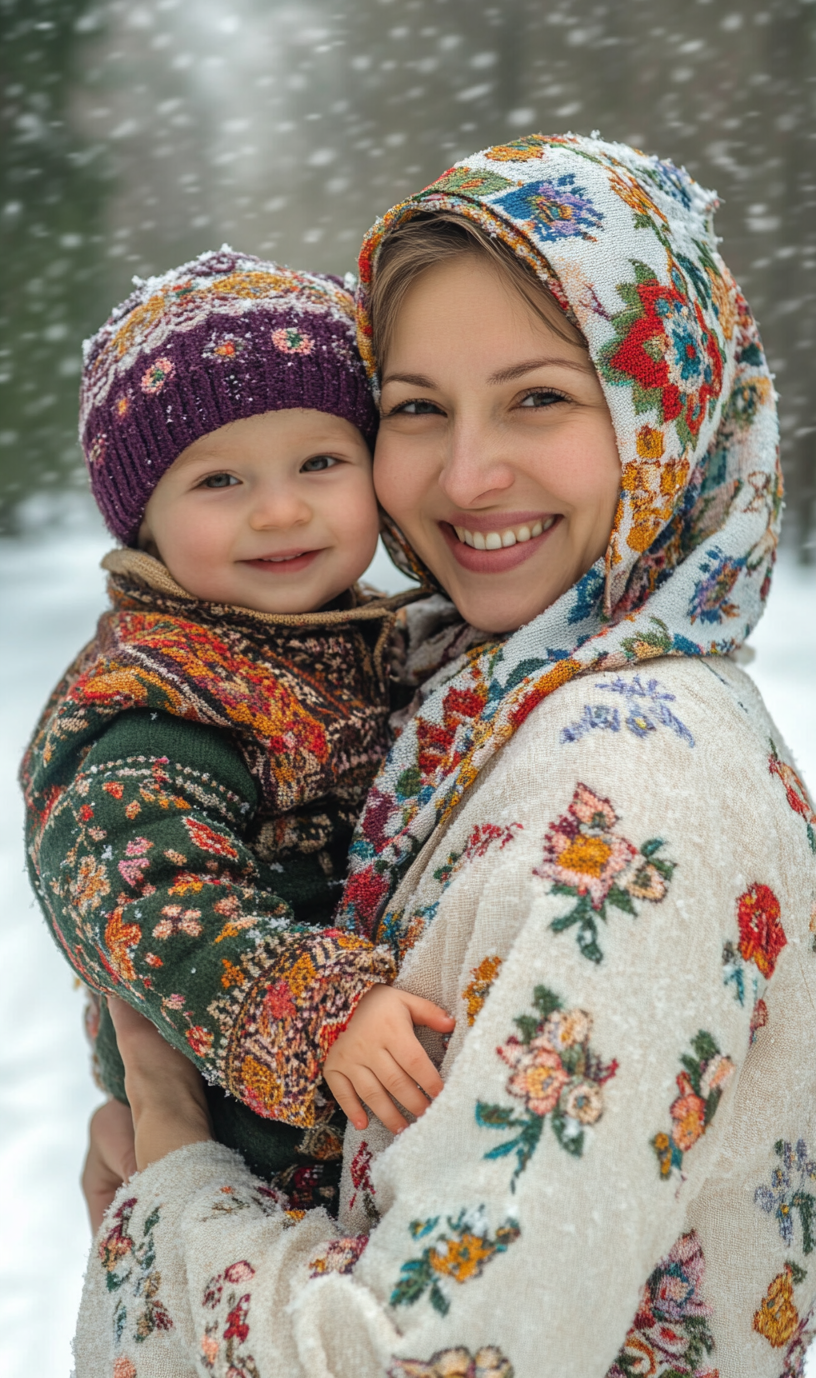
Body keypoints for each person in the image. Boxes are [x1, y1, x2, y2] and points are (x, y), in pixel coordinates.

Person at [75, 134, 816, 1378]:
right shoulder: (448, 689)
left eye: (540, 396)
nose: (467, 477)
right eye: (416, 409)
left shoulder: (635, 791)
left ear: (669, 408)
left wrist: (172, 1184)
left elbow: (429, 1358)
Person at [20, 250, 454, 1229]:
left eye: (320, 461)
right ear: (146, 522)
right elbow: (145, 887)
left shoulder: (359, 638)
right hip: (250, 1166)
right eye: (220, 478)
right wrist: (314, 1006)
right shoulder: (156, 699)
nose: (281, 508)